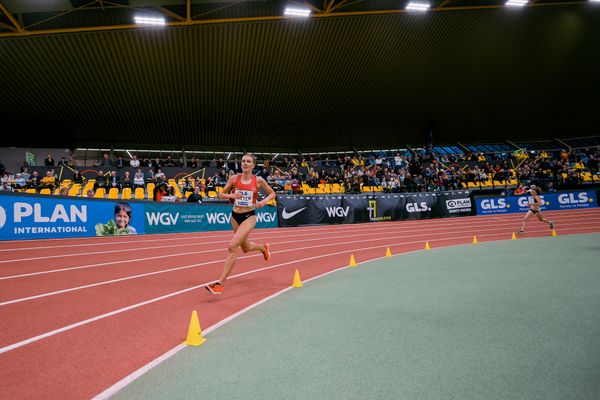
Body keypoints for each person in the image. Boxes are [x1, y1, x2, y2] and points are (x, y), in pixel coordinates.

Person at [206, 153, 276, 295]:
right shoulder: (234, 178)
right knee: (245, 247)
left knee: (232, 247)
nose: (245, 163)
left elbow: (272, 193)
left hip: (249, 216)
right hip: (235, 216)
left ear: (253, 165)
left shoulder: (259, 180)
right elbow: (221, 194)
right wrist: (231, 195)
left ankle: (220, 284)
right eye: (243, 161)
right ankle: (263, 248)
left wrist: (263, 201)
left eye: (248, 161)